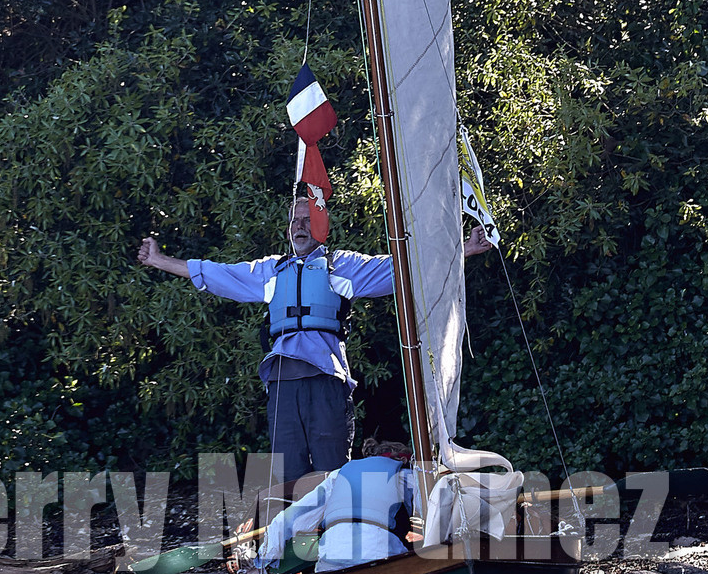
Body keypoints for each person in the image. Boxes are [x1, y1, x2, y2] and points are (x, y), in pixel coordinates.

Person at [137, 197, 494, 492]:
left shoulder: (343, 266)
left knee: (332, 472)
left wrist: (465, 249)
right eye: (295, 220)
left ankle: (340, 542)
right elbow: (217, 274)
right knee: (290, 477)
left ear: (322, 227)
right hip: (282, 383)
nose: (299, 227)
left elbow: (404, 267)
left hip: (326, 381)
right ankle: (298, 549)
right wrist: (158, 259)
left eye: (307, 220)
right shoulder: (271, 271)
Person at [255, 438, 418, 574]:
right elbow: (434, 513)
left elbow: (289, 518)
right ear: (402, 460)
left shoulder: (338, 475)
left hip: (333, 552)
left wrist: (261, 563)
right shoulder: (406, 475)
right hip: (377, 551)